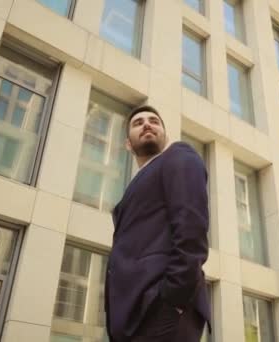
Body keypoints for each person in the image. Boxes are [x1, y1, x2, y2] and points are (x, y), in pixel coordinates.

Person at [104, 105, 211, 342]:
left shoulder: (178, 156)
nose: (147, 124)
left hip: (161, 309)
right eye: (138, 123)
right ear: (128, 145)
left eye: (154, 121)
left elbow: (191, 229)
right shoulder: (135, 185)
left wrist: (173, 298)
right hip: (131, 318)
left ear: (166, 135)